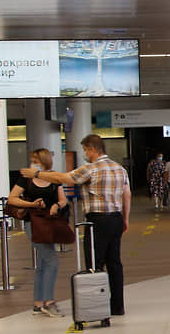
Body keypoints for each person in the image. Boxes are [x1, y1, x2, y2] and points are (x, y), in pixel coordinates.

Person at [20, 134, 131, 317]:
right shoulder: (119, 168)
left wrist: (37, 174)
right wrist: (125, 219)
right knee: (115, 263)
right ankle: (117, 306)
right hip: (116, 218)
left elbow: (64, 178)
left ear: (92, 149)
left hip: (97, 220)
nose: (85, 154)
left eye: (85, 150)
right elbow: (127, 195)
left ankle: (97, 306)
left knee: (94, 263)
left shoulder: (91, 169)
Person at [8, 148, 69, 317]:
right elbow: (12, 198)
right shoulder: (25, 179)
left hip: (51, 223)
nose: (33, 164)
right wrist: (31, 205)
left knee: (43, 263)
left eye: (36, 161)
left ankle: (38, 302)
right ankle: (49, 302)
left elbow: (63, 199)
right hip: (33, 223)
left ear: (44, 162)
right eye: (32, 161)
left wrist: (57, 205)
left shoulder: (53, 178)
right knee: (52, 260)